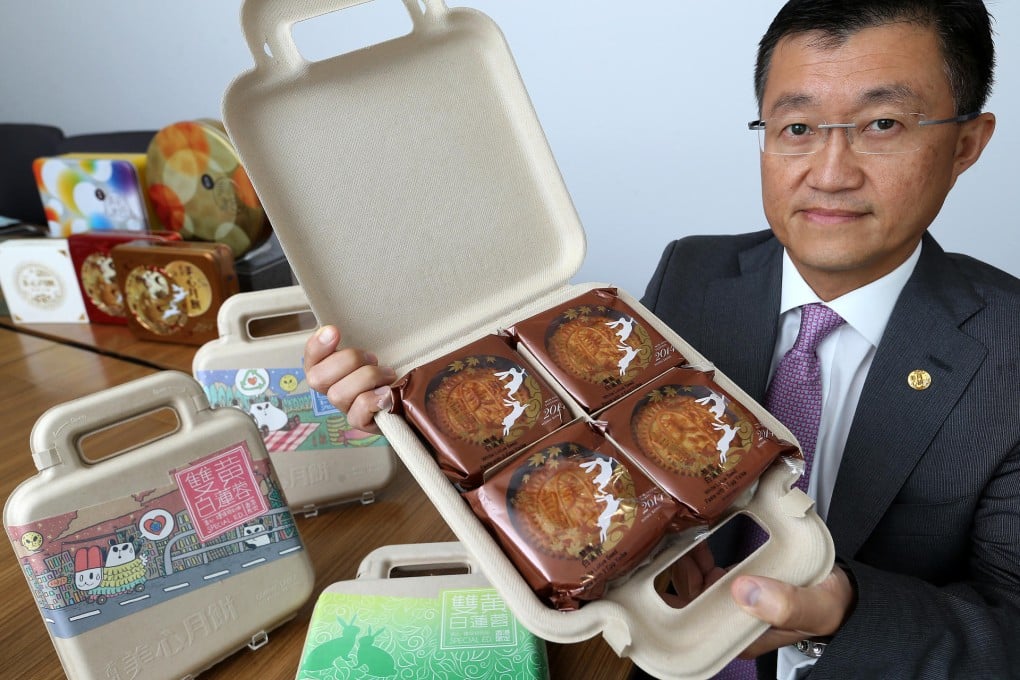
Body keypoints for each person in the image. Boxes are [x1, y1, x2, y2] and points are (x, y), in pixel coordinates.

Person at [304, 0, 1020, 677]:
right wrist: (411, 416)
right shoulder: (694, 273)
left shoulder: (1008, 351)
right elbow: (559, 451)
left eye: (883, 124)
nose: (830, 174)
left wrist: (844, 615)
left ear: (966, 144)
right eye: (797, 128)